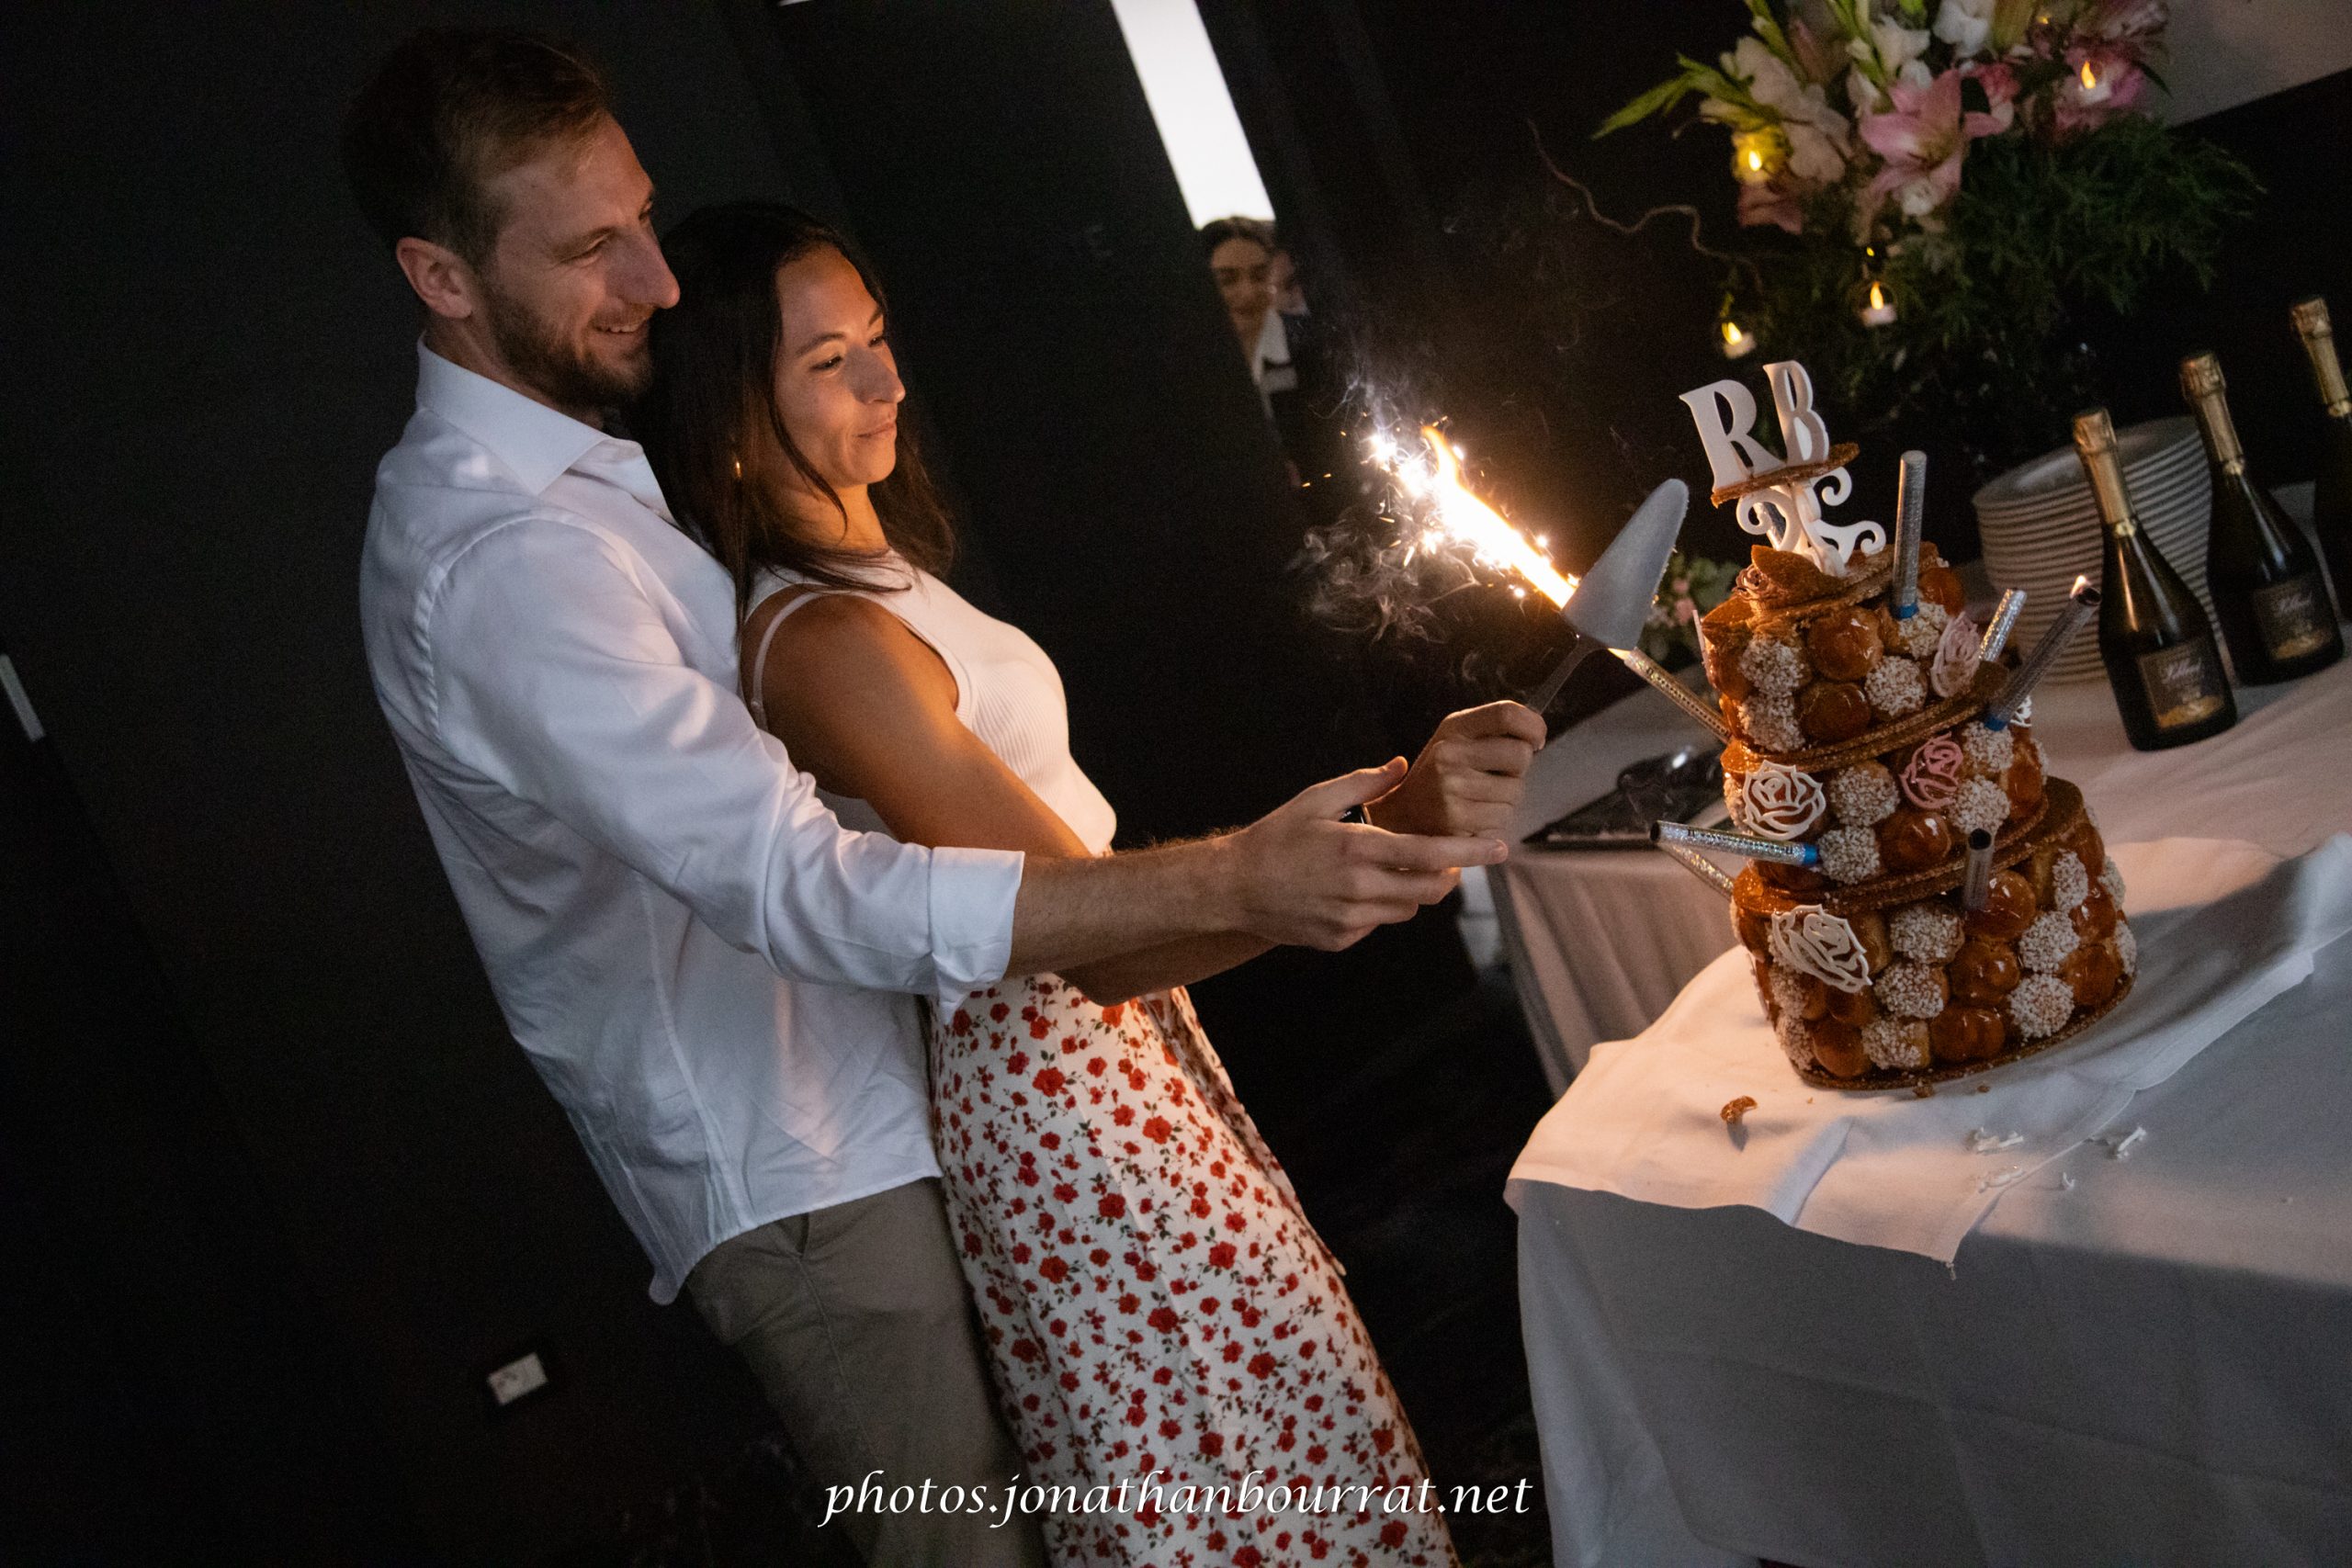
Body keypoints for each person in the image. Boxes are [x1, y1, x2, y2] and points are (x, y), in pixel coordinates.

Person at [339, 29, 1532, 1568]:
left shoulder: (608, 477)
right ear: (440, 276)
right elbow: (793, 882)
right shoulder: (500, 558)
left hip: (933, 1097)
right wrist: (1240, 877)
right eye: (589, 249)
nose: (656, 277)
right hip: (808, 1171)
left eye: (642, 217)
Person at [637, 201, 1542, 1567]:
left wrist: (1391, 827)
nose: (886, 381)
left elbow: (1125, 938)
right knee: (1228, 1461)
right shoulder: (819, 638)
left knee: (1289, 1417)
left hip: (1116, 1052)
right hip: (1057, 1089)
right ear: (725, 414)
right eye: (827, 363)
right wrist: (1362, 842)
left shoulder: (876, 580)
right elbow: (1095, 945)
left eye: (877, 338)